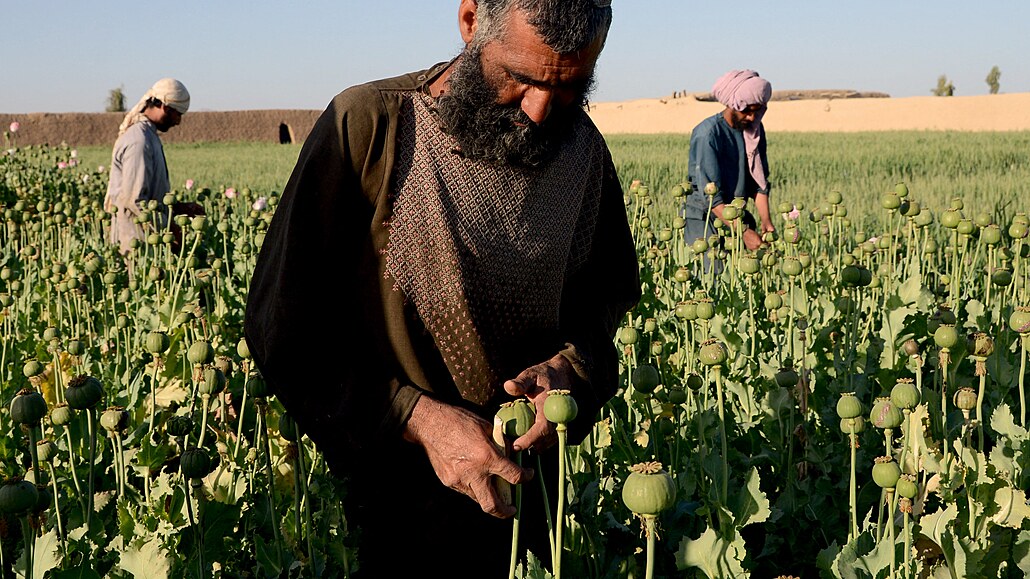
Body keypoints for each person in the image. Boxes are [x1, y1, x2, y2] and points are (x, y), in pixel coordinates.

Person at [243, 0, 639, 576]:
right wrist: (420, 420)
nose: (539, 110)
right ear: (472, 20)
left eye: (572, 86)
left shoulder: (584, 152)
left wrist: (568, 370)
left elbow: (601, 310)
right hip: (388, 503)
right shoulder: (371, 128)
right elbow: (283, 331)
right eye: (521, 77)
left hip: (528, 503)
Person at [104, 77, 201, 254]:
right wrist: (171, 228)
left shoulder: (149, 136)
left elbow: (151, 196)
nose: (178, 122)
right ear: (165, 107)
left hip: (150, 240)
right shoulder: (139, 141)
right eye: (177, 114)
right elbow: (135, 201)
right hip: (137, 243)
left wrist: (178, 208)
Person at [684, 69, 776, 253]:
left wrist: (767, 222)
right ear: (734, 104)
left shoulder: (753, 130)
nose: (751, 117)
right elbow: (711, 196)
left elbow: (759, 184)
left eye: (756, 111)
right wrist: (743, 232)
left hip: (737, 218)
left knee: (739, 278)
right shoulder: (708, 134)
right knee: (713, 277)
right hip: (705, 218)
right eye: (746, 111)